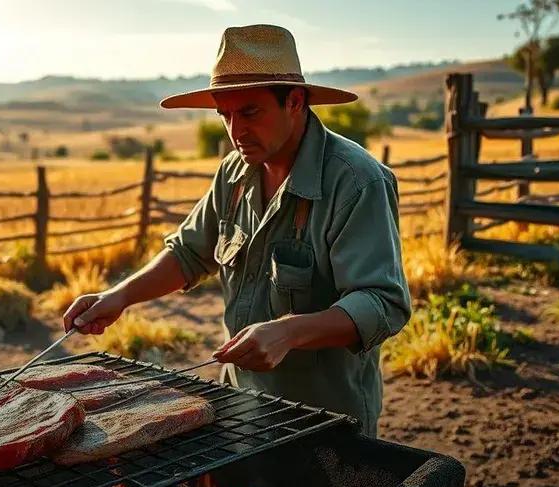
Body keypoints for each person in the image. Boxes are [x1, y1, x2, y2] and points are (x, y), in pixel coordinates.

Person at [63, 24, 411, 438]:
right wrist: (119, 296)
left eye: (249, 112)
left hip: (325, 418)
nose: (235, 131)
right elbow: (189, 253)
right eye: (224, 115)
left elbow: (383, 303)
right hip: (239, 402)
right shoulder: (234, 172)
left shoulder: (355, 181)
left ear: (295, 101)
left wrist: (288, 332)